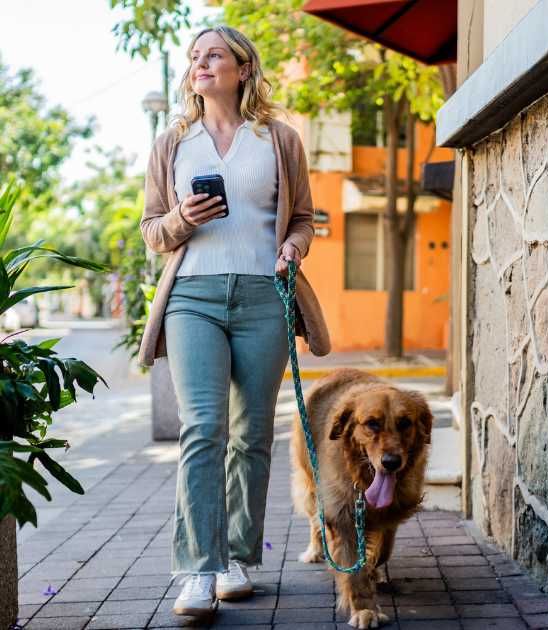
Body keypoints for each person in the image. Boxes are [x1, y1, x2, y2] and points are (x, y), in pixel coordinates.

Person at [137, 25, 331, 616]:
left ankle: (239, 557)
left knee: (250, 436)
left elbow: (302, 217)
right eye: (195, 56)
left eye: (213, 55)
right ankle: (198, 568)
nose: (200, 63)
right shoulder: (174, 141)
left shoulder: (278, 139)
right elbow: (150, 232)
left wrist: (292, 250)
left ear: (243, 68)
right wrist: (181, 219)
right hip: (192, 296)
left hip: (264, 296)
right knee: (203, 430)